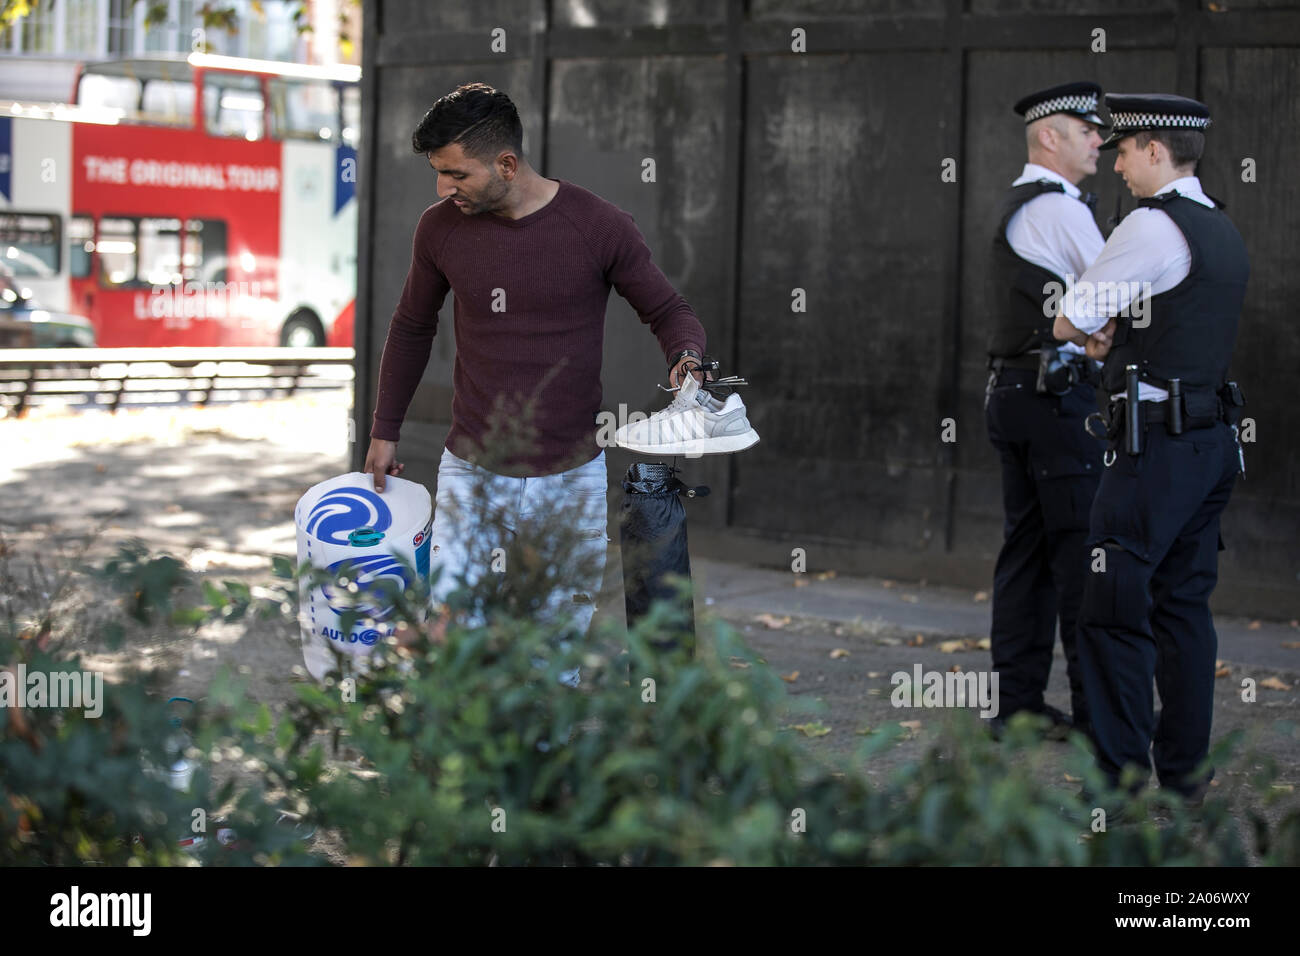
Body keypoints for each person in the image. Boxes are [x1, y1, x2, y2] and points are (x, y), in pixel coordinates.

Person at [364, 83, 709, 644]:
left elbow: (669, 310)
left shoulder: (598, 226)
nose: (442, 187)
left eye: (456, 174)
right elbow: (411, 327)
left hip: (570, 482)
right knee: (455, 648)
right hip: (469, 476)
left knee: (551, 663)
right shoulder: (439, 228)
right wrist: (384, 430)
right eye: (439, 172)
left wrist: (687, 359)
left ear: (505, 163)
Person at [1053, 93, 1249, 805]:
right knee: (1183, 613)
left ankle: (1120, 789)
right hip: (1209, 446)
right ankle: (1186, 781)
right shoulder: (1220, 228)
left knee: (1110, 611)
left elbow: (1071, 318)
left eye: (1126, 148)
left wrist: (1089, 332)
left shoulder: (1151, 223)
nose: (1116, 161)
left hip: (1154, 453)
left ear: (1157, 153)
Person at [983, 82, 1108, 738]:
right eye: (1087, 130)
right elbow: (1112, 298)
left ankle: (1018, 709)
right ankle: (1098, 722)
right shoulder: (1060, 209)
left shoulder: (1019, 202)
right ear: (1049, 137)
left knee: (1025, 554)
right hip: (1057, 400)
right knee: (1079, 556)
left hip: (1013, 393)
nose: (1100, 141)